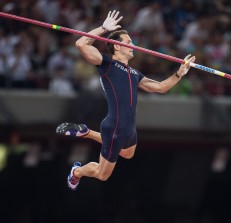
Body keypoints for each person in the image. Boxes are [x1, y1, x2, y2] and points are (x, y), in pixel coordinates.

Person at [56, 10, 196, 190]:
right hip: (115, 127)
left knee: (128, 154)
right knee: (102, 175)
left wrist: (179, 74)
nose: (133, 45)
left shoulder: (134, 73)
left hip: (129, 128)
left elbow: (161, 87)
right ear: (117, 46)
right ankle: (77, 173)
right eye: (129, 42)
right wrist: (103, 29)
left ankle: (87, 132)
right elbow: (81, 43)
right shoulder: (107, 64)